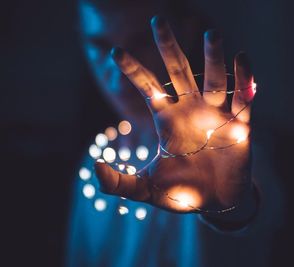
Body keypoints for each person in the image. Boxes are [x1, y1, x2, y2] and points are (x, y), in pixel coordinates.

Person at [67, 0, 282, 266]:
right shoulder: (96, 161)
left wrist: (229, 212)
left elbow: (252, 225)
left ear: (186, 30)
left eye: (141, 42)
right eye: (99, 46)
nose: (117, 72)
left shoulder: (231, 155)